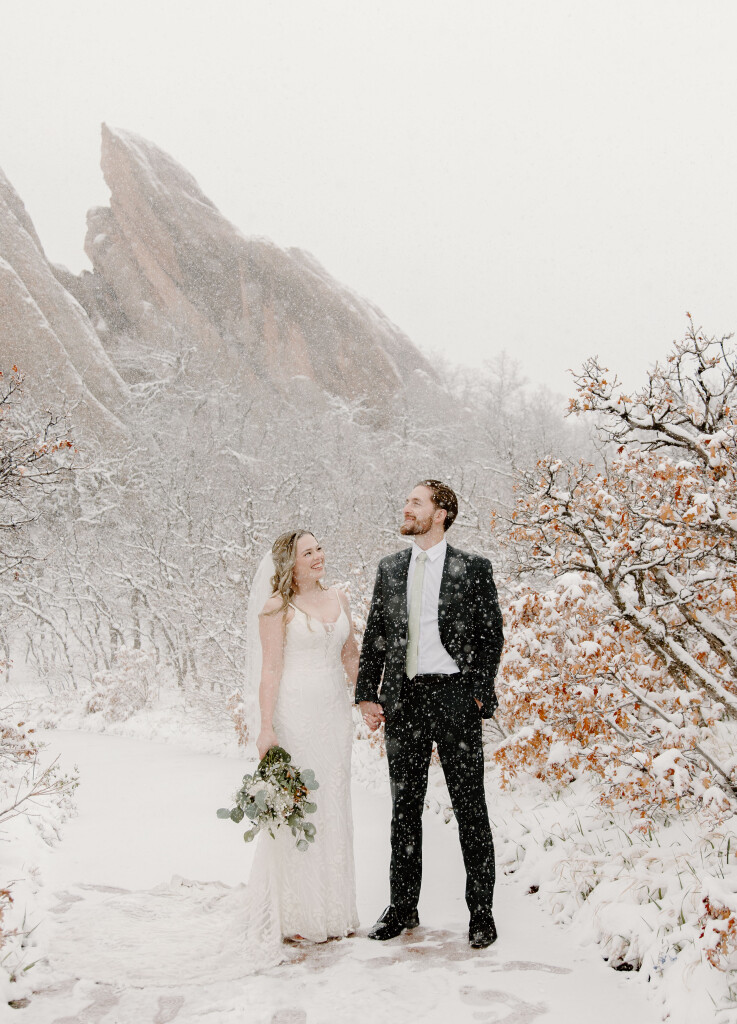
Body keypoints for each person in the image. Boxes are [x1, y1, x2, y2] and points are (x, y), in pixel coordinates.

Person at [356, 480, 504, 949]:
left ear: (440, 514)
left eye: (415, 502)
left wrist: (478, 693)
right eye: (407, 501)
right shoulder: (390, 567)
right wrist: (367, 693)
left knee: (470, 808)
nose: (406, 508)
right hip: (404, 701)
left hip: (456, 698)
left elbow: (491, 635)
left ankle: (481, 914)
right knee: (404, 810)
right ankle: (402, 908)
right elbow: (376, 633)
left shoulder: (473, 568)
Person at [243, 530, 359, 964]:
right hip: (295, 714)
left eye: (319, 548)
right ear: (289, 563)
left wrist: (369, 699)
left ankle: (335, 911)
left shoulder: (339, 598)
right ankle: (298, 913)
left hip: (334, 715)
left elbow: (351, 656)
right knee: (303, 806)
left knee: (333, 802)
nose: (317, 556)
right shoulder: (277, 607)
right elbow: (270, 669)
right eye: (307, 552)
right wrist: (265, 727)